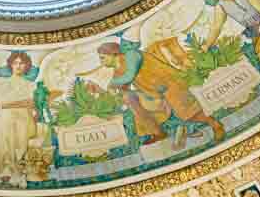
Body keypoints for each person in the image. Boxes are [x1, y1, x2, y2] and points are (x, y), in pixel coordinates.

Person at [96, 39, 224, 149]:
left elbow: (130, 75)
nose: (101, 62)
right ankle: (158, 133)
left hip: (170, 83)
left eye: (103, 58)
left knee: (189, 112)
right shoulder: (118, 71)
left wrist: (112, 84)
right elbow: (120, 90)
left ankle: (215, 125)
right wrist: (103, 92)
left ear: (113, 54)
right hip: (154, 93)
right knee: (130, 98)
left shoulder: (131, 55)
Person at [0, 51, 41, 186]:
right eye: (15, 63)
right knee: (6, 123)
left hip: (24, 118)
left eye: (22, 63)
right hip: (4, 118)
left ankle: (7, 172)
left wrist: (7, 104)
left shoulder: (32, 85)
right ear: (10, 65)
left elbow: (32, 103)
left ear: (26, 66)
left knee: (13, 123)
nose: (18, 66)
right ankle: (14, 172)